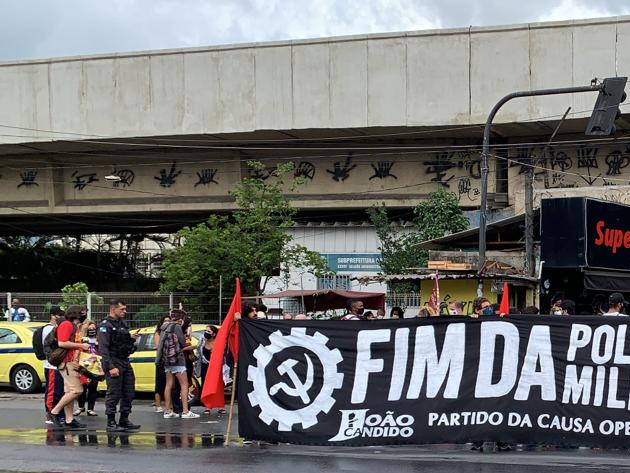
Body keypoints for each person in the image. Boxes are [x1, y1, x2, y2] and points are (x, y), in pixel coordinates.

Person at [98, 299, 141, 431]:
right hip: (113, 360)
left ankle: (124, 419)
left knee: (129, 391)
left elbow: (122, 342)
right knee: (114, 393)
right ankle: (111, 421)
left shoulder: (122, 324)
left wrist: (131, 339)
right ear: (113, 309)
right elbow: (104, 349)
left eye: (125, 309)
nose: (124, 311)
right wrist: (110, 367)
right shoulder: (106, 325)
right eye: (122, 309)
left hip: (124, 360)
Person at [49, 306, 90, 430]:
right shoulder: (67, 324)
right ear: (76, 314)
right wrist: (81, 345)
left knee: (69, 391)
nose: (84, 315)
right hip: (67, 362)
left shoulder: (72, 325)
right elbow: (62, 342)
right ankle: (54, 412)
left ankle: (69, 419)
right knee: (76, 390)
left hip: (70, 361)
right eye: (83, 313)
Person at [157, 311, 199, 419]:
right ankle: (185, 411)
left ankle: (168, 411)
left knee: (169, 384)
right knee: (184, 385)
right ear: (180, 319)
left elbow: (161, 344)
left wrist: (158, 359)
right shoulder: (176, 327)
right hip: (177, 359)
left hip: (167, 360)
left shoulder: (163, 327)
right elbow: (182, 342)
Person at [43, 306, 65, 425]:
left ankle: (58, 413)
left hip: (57, 365)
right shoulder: (48, 329)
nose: (61, 317)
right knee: (52, 391)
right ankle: (50, 414)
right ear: (53, 316)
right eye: (59, 315)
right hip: (51, 365)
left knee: (59, 390)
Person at [74, 320, 100, 417]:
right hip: (83, 364)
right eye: (89, 329)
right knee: (82, 387)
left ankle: (90, 409)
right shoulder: (81, 339)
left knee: (93, 387)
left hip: (95, 364)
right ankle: (81, 407)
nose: (92, 330)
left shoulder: (99, 339)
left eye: (93, 328)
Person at [195, 325, 218, 415]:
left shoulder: (217, 342)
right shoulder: (202, 341)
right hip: (205, 366)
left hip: (214, 367)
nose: (206, 333)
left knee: (216, 386)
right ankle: (207, 406)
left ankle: (219, 405)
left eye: (208, 331)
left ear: (214, 334)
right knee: (205, 385)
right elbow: (197, 349)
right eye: (205, 331)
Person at [153, 314, 171, 413]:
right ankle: (158, 405)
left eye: (169, 320)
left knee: (170, 383)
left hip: (170, 361)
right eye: (165, 321)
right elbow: (158, 346)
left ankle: (169, 405)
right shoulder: (158, 333)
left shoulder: (172, 332)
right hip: (161, 361)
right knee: (160, 384)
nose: (167, 322)